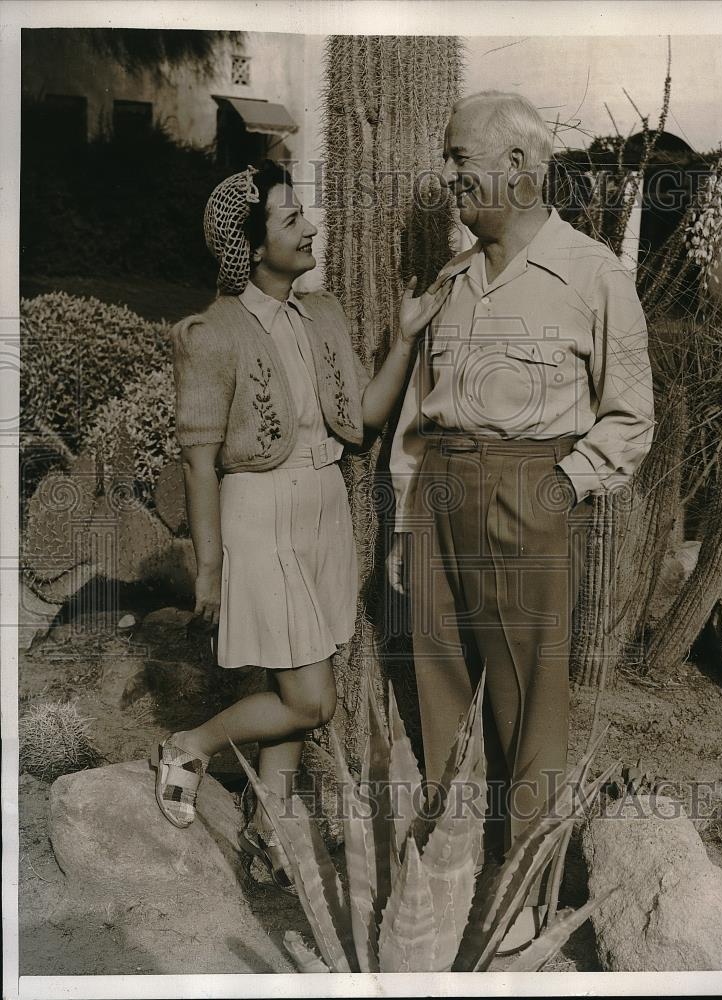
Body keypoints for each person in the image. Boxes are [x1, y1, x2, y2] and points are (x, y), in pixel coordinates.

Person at [388, 91, 654, 950]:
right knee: (437, 681)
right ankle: (449, 880)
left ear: (519, 168)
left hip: (528, 489)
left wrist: (560, 488)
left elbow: (629, 414)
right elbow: (416, 420)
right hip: (438, 494)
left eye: (461, 157)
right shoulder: (454, 281)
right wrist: (402, 518)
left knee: (528, 700)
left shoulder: (593, 274)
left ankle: (524, 900)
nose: (450, 173)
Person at [151, 160, 450, 893]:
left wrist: (406, 338)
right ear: (251, 247)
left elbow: (366, 420)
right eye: (290, 219)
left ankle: (267, 832)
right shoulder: (212, 333)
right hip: (258, 510)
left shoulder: (326, 314)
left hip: (323, 507)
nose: (310, 226)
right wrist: (211, 566)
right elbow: (197, 464)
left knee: (295, 685)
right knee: (312, 697)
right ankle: (186, 745)